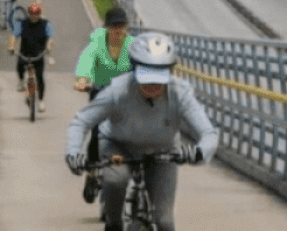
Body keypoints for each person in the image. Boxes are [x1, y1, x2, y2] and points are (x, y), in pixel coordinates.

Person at [65, 32, 219, 231]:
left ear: (169, 73)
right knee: (116, 180)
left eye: (159, 77)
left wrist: (198, 152)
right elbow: (82, 120)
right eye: (146, 77)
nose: (153, 85)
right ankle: (113, 224)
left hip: (163, 152)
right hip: (118, 147)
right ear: (134, 70)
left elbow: (208, 133)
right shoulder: (118, 90)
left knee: (164, 221)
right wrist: (73, 153)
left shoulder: (180, 93)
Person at [73, 7, 134, 203]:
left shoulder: (132, 46)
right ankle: (91, 172)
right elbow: (87, 58)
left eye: (121, 26)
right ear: (107, 27)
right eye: (114, 26)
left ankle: (138, 179)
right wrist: (83, 78)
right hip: (100, 93)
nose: (118, 30)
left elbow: (143, 64)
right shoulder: (98, 42)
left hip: (124, 98)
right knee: (97, 133)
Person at [8, 3, 55, 112]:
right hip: (24, 54)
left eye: (36, 13)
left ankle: (41, 101)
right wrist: (11, 46)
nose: (34, 16)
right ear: (29, 13)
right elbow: (14, 36)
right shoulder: (22, 24)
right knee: (19, 68)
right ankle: (20, 81)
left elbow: (50, 39)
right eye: (32, 13)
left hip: (38, 56)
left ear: (39, 14)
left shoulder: (45, 25)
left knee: (39, 77)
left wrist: (48, 48)